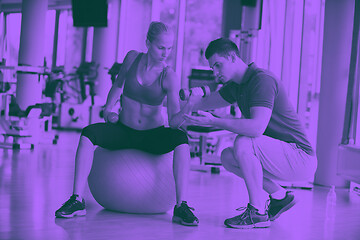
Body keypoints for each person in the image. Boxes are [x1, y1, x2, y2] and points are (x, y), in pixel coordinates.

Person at [55, 22, 199, 226]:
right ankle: (77, 199)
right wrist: (108, 109)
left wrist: (190, 105)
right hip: (124, 130)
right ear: (148, 42)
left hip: (152, 136)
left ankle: (181, 205)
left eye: (169, 48)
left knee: (181, 139)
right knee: (88, 133)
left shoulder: (170, 76)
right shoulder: (132, 58)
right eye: (161, 47)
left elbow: (174, 122)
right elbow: (117, 85)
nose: (165, 53)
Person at [183, 38, 317, 229]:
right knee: (227, 157)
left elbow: (256, 128)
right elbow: (203, 104)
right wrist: (187, 99)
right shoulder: (235, 86)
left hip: (300, 157)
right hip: (280, 155)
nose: (215, 73)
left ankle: (257, 212)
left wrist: (213, 121)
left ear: (232, 57)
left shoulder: (262, 80)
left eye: (218, 65)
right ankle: (280, 196)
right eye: (212, 68)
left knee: (244, 141)